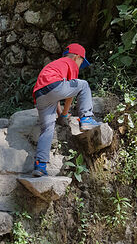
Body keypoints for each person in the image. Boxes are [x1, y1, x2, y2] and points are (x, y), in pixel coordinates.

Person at [32, 43, 101, 177]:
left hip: (40, 94)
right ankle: (86, 117)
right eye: (82, 61)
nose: (80, 65)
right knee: (84, 85)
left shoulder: (55, 65)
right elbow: (70, 94)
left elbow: (55, 95)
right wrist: (64, 115)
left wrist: (59, 114)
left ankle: (40, 165)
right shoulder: (71, 63)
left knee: (47, 129)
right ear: (76, 57)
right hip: (55, 87)